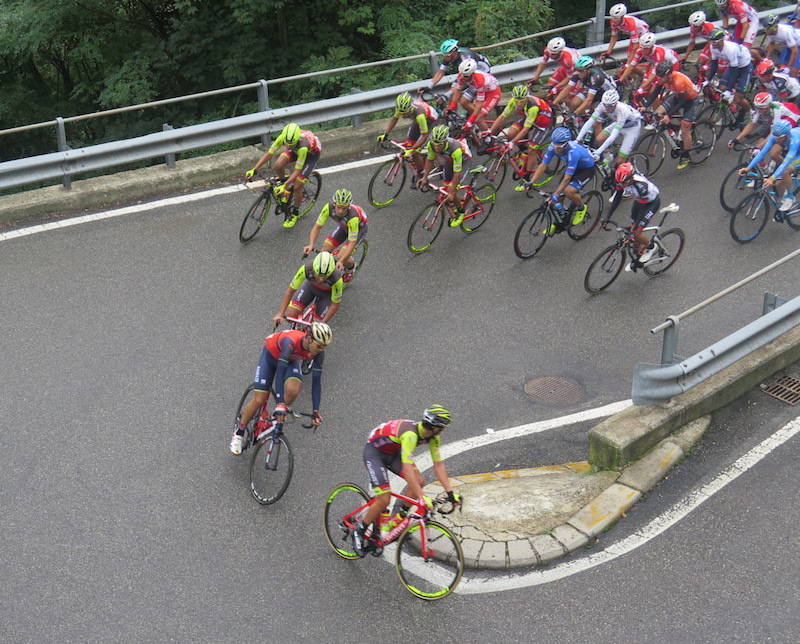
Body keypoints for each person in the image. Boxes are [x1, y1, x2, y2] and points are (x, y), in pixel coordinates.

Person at [352, 405, 461, 556]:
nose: (442, 431)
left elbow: (439, 465)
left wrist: (450, 493)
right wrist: (422, 497)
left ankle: (399, 518)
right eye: (441, 428)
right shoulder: (411, 435)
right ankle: (359, 529)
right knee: (384, 499)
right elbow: (408, 470)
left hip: (394, 453)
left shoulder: (433, 437)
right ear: (434, 426)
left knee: (419, 481)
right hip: (375, 453)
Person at [229, 322, 331, 455]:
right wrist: (280, 404)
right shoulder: (290, 342)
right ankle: (239, 432)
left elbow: (316, 382)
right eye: (319, 346)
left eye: (324, 347)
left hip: (290, 360)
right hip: (271, 357)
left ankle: (271, 419)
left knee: (294, 389)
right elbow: (280, 373)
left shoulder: (318, 353)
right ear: (310, 338)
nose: (320, 350)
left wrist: (316, 410)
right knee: (259, 399)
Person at [516, 127, 594, 234]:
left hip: (586, 169)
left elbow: (567, 178)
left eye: (559, 145)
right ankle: (562, 222)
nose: (556, 148)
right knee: (557, 200)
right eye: (554, 144)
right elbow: (543, 165)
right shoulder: (552, 147)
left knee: (568, 191)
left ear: (566, 144)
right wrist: (531, 181)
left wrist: (556, 194)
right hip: (574, 167)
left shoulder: (573, 153)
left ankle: (581, 208)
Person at [245, 122, 322, 229]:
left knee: (297, 185)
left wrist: (285, 185)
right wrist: (254, 169)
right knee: (277, 165)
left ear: (297, 140)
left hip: (310, 155)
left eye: (291, 144)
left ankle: (294, 213)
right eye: (287, 144)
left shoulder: (303, 147)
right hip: (296, 150)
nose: (288, 146)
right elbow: (269, 154)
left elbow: (297, 170)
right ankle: (285, 190)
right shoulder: (282, 137)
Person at [603, 162, 661, 273]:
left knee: (636, 232)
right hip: (639, 202)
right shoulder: (622, 180)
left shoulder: (640, 186)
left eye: (624, 183)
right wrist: (607, 218)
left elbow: (642, 213)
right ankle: (638, 258)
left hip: (651, 203)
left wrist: (634, 230)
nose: (622, 186)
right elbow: (617, 198)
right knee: (633, 235)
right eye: (620, 183)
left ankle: (651, 247)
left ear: (631, 178)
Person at [649, 62, 702, 170]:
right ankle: (674, 128)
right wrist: (645, 106)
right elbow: (655, 93)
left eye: (662, 77)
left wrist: (668, 115)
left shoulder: (678, 81)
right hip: (678, 96)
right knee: (657, 113)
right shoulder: (663, 78)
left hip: (691, 100)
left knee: (685, 127)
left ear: (668, 75)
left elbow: (681, 103)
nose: (660, 79)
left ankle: (686, 156)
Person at [377, 92, 438, 185]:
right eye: (401, 113)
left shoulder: (419, 114)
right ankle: (419, 163)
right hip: (417, 122)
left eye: (405, 113)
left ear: (410, 108)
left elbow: (424, 135)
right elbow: (394, 119)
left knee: (414, 152)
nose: (403, 115)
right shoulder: (401, 107)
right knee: (408, 144)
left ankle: (421, 173)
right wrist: (385, 135)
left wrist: (413, 149)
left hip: (430, 122)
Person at [303, 189, 367, 278]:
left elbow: (352, 242)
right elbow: (317, 227)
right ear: (334, 204)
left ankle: (351, 268)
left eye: (344, 208)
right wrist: (311, 244)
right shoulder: (328, 208)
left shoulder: (353, 217)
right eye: (339, 207)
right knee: (325, 250)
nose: (341, 211)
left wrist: (341, 261)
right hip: (344, 226)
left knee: (342, 256)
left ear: (348, 206)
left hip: (358, 229)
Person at [418, 124, 472, 227]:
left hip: (463, 161)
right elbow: (429, 160)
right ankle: (455, 202)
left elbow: (457, 172)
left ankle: (461, 212)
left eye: (439, 144)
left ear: (445, 141)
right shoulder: (431, 144)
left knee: (452, 188)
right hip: (449, 160)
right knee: (447, 186)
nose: (437, 147)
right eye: (435, 144)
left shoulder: (455, 148)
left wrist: (452, 190)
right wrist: (425, 177)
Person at [740, 120, 800, 211]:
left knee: (786, 170)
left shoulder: (794, 140)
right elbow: (762, 153)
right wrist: (749, 167)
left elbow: (786, 162)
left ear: (786, 135)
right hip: (792, 145)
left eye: (778, 137)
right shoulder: (776, 136)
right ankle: (785, 181)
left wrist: (773, 178)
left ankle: (790, 197)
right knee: (779, 173)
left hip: (797, 150)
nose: (776, 139)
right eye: (775, 136)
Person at [272, 251, 344, 326]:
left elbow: (335, 304)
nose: (321, 280)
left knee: (315, 327)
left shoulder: (337, 279)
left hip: (327, 295)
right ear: (314, 269)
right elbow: (290, 291)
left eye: (325, 277)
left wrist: (322, 324)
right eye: (318, 275)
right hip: (310, 287)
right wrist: (280, 313)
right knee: (290, 315)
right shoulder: (306, 268)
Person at [576, 89, 643, 167]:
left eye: (610, 106)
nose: (607, 108)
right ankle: (609, 156)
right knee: (599, 139)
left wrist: (598, 152)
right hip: (619, 123)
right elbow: (590, 122)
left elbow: (613, 135)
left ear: (615, 104)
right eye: (606, 105)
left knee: (619, 161)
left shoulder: (622, 111)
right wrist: (577, 139)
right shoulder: (602, 105)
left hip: (632, 129)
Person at [428, 38, 491, 110]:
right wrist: (429, 86)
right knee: (453, 91)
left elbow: (462, 81)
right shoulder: (449, 56)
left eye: (446, 55)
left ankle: (477, 118)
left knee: (464, 101)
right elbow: (440, 72)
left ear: (454, 52)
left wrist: (445, 96)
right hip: (468, 72)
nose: (444, 57)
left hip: (482, 72)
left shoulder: (465, 58)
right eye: (443, 54)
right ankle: (452, 114)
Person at [706, 28, 752, 127]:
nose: (713, 44)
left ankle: (751, 113)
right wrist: (707, 80)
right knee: (721, 89)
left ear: (722, 40)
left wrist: (729, 89)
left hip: (744, 66)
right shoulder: (712, 47)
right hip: (733, 66)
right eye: (712, 42)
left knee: (738, 98)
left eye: (715, 42)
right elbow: (714, 66)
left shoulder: (730, 49)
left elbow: (734, 73)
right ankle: (725, 114)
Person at [619, 32, 680, 103]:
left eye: (645, 49)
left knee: (654, 88)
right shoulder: (640, 51)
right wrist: (620, 80)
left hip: (673, 64)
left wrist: (641, 88)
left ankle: (664, 102)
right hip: (657, 64)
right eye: (641, 48)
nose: (643, 50)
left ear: (651, 47)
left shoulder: (659, 54)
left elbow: (654, 75)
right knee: (646, 85)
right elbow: (632, 65)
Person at [730, 91, 800, 151]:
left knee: (774, 152)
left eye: (762, 108)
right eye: (758, 107)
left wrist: (758, 147)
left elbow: (773, 133)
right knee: (761, 143)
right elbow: (752, 124)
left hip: (792, 117)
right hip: (774, 119)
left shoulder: (777, 110)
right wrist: (736, 139)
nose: (759, 110)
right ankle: (762, 165)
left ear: (769, 105)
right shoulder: (760, 107)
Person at [487, 84, 553, 147]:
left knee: (532, 149)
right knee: (511, 134)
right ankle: (523, 150)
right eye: (517, 101)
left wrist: (512, 143)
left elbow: (525, 129)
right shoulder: (513, 100)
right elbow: (502, 116)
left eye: (522, 101)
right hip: (529, 116)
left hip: (543, 122)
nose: (519, 104)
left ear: (526, 98)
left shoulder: (533, 107)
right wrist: (490, 131)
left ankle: (530, 153)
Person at [447, 59, 501, 133]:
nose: (464, 77)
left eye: (466, 76)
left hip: (493, 93)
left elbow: (479, 104)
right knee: (463, 101)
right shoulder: (462, 75)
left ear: (472, 73)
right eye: (462, 74)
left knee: (478, 118)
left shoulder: (479, 80)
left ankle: (488, 137)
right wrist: (452, 107)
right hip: (475, 88)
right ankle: (475, 121)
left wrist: (470, 121)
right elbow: (458, 90)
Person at [684, 10, 718, 82]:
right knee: (699, 63)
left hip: (719, 42)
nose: (693, 27)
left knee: (709, 63)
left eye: (695, 26)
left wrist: (708, 63)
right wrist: (685, 57)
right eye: (692, 25)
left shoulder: (709, 28)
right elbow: (692, 43)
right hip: (711, 43)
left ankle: (716, 79)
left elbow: (714, 48)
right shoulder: (693, 28)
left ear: (701, 24)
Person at [764, 15, 800, 79]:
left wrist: (789, 66)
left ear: (774, 28)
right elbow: (772, 44)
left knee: (793, 71)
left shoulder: (786, 32)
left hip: (796, 47)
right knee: (782, 68)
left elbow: (795, 51)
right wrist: (766, 58)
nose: (766, 31)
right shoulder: (770, 32)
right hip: (790, 46)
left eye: (767, 29)